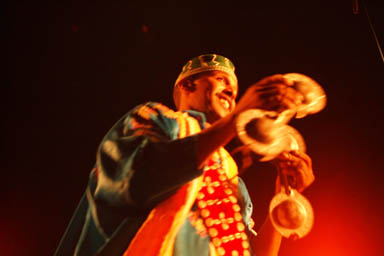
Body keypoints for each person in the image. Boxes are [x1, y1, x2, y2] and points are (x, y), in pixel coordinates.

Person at [55, 54, 314, 256]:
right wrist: (235, 119)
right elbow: (137, 181)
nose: (231, 91)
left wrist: (285, 196)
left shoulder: (231, 176)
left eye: (235, 90)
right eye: (222, 79)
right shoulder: (155, 119)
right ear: (189, 83)